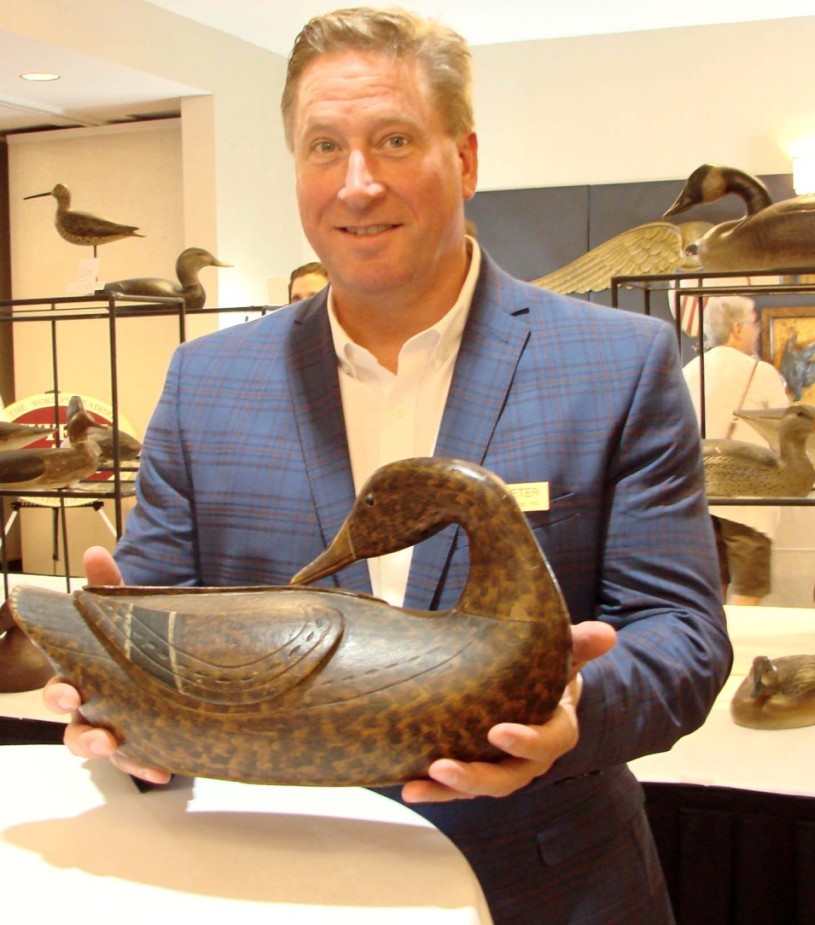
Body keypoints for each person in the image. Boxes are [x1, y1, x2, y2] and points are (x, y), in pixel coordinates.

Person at [43, 8, 731, 925]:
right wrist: (118, 706)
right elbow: (161, 615)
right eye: (324, 146)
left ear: (468, 159)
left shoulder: (621, 363)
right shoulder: (207, 380)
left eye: (394, 140)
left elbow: (682, 634)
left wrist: (568, 709)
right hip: (270, 878)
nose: (356, 184)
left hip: (546, 881)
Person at [682, 296, 789, 605]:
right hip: (747, 499)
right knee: (749, 584)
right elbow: (784, 431)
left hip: (702, 494)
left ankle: (715, 646)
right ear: (738, 328)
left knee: (713, 583)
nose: (757, 331)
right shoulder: (760, 373)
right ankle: (738, 648)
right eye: (755, 323)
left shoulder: (689, 371)